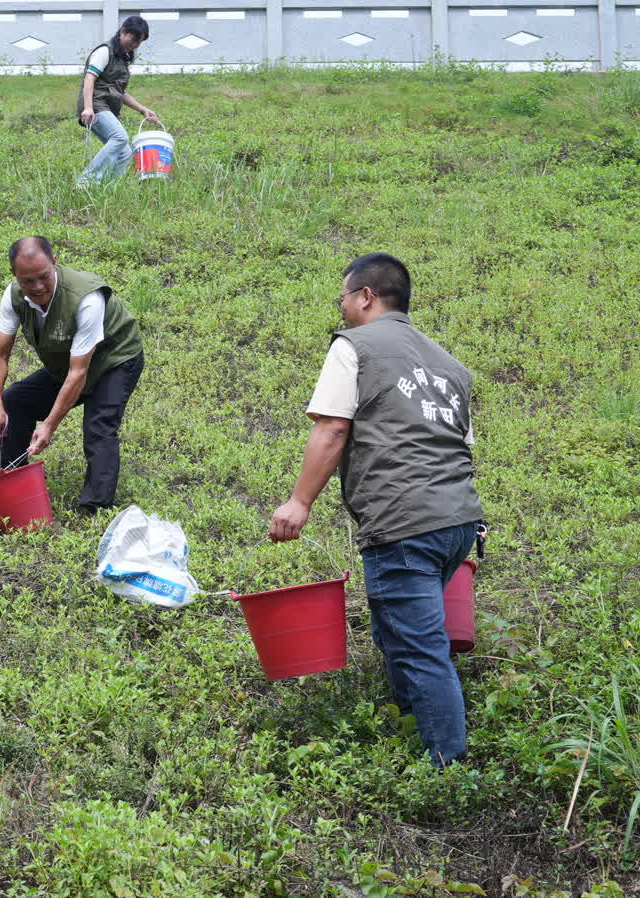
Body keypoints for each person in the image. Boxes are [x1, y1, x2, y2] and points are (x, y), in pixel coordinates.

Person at [268, 252, 483, 768]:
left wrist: (300, 502)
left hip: (402, 523)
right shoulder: (451, 365)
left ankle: (446, 770)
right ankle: (413, 731)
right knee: (399, 631)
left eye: (342, 298)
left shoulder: (354, 347)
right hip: (458, 521)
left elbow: (333, 428)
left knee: (419, 648)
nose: (340, 309)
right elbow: (462, 446)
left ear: (365, 296)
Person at [0, 237, 145, 514]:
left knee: (99, 425)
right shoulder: (13, 296)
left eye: (44, 277)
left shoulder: (85, 298)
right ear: (15, 275)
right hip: (68, 361)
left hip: (115, 359)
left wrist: (49, 425)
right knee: (14, 400)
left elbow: (79, 373)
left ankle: (95, 507)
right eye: (28, 280)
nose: (37, 287)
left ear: (55, 263)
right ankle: (13, 482)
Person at [76, 15, 161, 187]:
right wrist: (87, 108)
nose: (135, 44)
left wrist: (142, 109)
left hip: (106, 105)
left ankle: (106, 188)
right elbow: (89, 79)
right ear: (123, 31)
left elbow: (120, 92)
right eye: (134, 38)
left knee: (125, 153)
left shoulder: (123, 58)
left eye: (140, 42)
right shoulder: (104, 51)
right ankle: (85, 183)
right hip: (95, 104)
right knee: (119, 137)